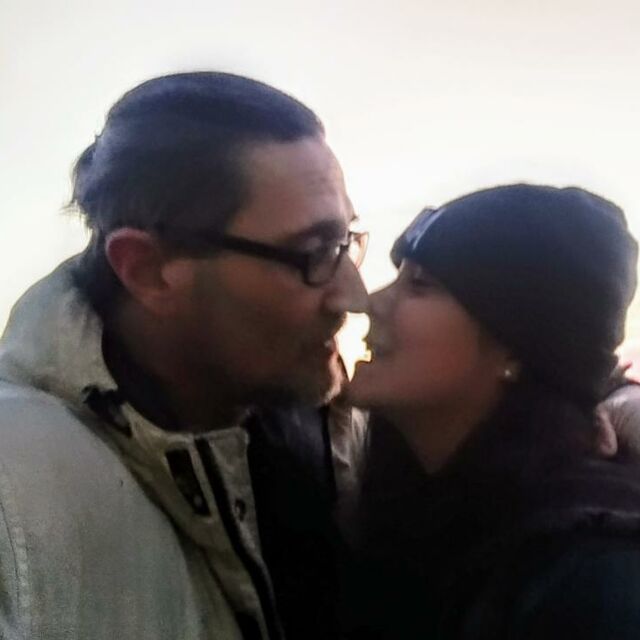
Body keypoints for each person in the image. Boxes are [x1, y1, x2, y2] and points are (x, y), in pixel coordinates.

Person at [0, 72, 368, 639]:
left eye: (345, 243)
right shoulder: (16, 492)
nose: (353, 295)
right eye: (313, 253)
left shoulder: (333, 429)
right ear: (147, 270)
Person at [346, 184, 640, 639]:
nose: (372, 301)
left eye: (420, 285)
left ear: (516, 347)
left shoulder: (591, 575)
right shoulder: (430, 508)